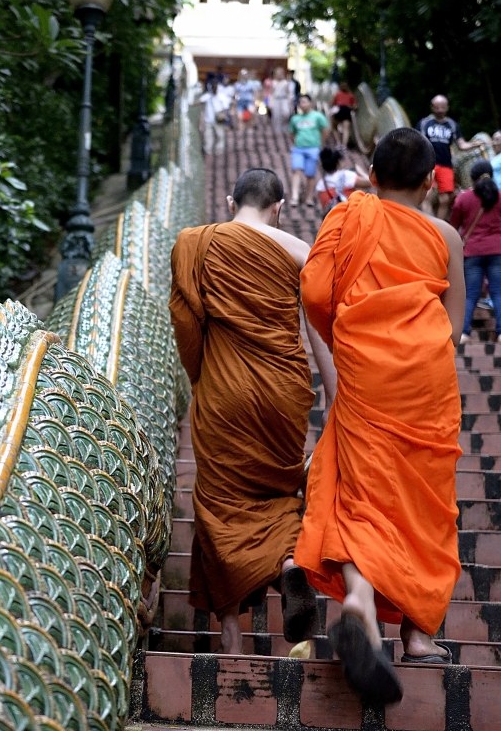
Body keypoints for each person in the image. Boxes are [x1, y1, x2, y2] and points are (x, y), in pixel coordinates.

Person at [294, 127, 465, 705]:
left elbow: (315, 292)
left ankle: (360, 599)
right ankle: (418, 637)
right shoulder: (445, 235)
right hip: (426, 384)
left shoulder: (347, 219)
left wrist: (347, 337)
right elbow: (456, 328)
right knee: (424, 501)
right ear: (428, 183)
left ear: (371, 175)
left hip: (367, 375)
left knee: (364, 494)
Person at [169, 167, 338, 656]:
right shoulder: (301, 252)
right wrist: (334, 404)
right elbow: (320, 337)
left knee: (221, 501)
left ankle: (231, 639)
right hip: (284, 391)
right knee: (279, 491)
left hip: (225, 388)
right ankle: (288, 566)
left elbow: (184, 322)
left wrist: (203, 374)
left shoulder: (196, 243)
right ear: (279, 207)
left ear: (229, 201)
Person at [451, 160, 501, 345]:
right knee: (499, 293)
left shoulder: (464, 198)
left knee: (471, 294)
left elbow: (455, 224)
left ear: (472, 177)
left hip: (473, 251)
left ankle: (465, 334)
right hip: (498, 250)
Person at [416, 94, 476, 219]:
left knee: (445, 199)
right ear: (432, 107)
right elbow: (417, 141)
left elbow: (461, 144)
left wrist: (474, 144)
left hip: (446, 164)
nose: (440, 110)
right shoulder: (424, 123)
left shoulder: (452, 124)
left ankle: (439, 226)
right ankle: (429, 223)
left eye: (443, 107)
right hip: (428, 164)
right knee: (426, 195)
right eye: (437, 107)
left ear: (447, 107)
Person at [288, 94, 330, 206]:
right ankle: (295, 196)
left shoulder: (318, 116)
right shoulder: (295, 118)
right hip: (298, 148)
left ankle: (309, 197)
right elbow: (291, 133)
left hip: (313, 148)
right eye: (301, 102)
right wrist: (296, 142)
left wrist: (321, 143)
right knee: (296, 170)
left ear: (310, 103)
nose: (303, 104)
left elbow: (325, 130)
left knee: (310, 174)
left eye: (305, 102)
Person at [314, 147, 370, 212]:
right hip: (349, 214)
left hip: (333, 218)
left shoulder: (320, 186)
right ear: (337, 163)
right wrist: (360, 172)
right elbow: (370, 183)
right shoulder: (346, 175)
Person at [199, 80, 231, 155]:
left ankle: (219, 150)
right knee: (208, 136)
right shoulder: (207, 96)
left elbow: (226, 107)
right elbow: (199, 101)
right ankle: (208, 150)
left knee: (220, 135)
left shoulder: (221, 96)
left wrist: (224, 116)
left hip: (218, 119)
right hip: (208, 120)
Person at [331, 82, 358, 149]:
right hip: (347, 111)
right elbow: (355, 106)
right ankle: (344, 145)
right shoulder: (351, 95)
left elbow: (333, 104)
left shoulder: (337, 94)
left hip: (339, 110)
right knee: (346, 129)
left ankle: (338, 143)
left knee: (334, 127)